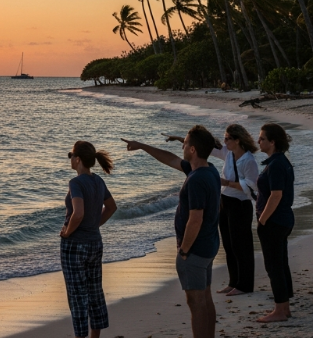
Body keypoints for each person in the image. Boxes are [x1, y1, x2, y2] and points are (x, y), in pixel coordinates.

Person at [122, 125, 220, 338]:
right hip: (209, 245)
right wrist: (141, 146)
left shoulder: (196, 179)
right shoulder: (208, 169)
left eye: (185, 142)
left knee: (196, 302)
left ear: (192, 149)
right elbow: (170, 159)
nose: (182, 145)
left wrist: (184, 250)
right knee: (205, 298)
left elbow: (195, 220)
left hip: (195, 250)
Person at [166, 124, 258, 296]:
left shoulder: (248, 160)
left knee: (241, 246)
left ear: (237, 140)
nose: (224, 142)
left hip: (241, 204)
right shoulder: (228, 153)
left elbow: (252, 186)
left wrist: (227, 183)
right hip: (226, 201)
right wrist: (181, 139)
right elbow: (206, 149)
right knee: (229, 245)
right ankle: (233, 282)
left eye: (228, 138)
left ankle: (245, 284)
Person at [60, 141, 118, 338]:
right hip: (95, 242)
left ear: (77, 160)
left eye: (71, 156)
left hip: (75, 246)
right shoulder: (98, 181)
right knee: (95, 292)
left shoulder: (76, 183)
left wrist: (67, 232)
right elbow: (111, 207)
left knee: (77, 296)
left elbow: (78, 213)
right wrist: (94, 225)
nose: (71, 160)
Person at [255, 123, 295, 323]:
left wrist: (262, 220)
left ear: (272, 142)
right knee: (279, 263)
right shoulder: (278, 162)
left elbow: (276, 195)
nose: (258, 141)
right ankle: (284, 308)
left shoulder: (277, 164)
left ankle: (280, 310)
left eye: (262, 138)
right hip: (281, 220)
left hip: (275, 221)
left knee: (274, 266)